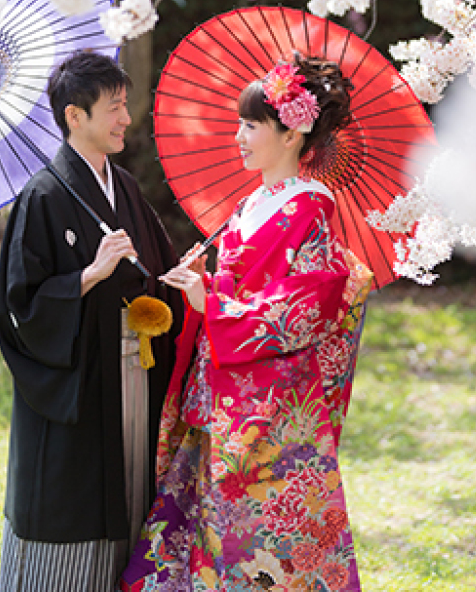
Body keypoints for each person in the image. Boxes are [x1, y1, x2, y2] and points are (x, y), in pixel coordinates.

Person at [121, 54, 373, 592]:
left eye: (251, 124)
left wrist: (212, 304)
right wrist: (203, 283)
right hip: (223, 383)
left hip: (269, 404)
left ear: (292, 133)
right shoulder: (256, 202)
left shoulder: (310, 206)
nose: (239, 135)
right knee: (207, 522)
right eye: (241, 122)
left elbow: (307, 304)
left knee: (254, 538)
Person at [0, 50, 183, 592]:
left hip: (134, 372)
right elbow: (20, 305)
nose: (127, 118)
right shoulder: (42, 196)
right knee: (74, 500)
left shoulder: (121, 186)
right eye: (115, 108)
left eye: (126, 105)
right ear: (75, 116)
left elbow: (155, 264)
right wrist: (87, 276)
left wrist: (179, 277)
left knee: (131, 493)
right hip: (80, 375)